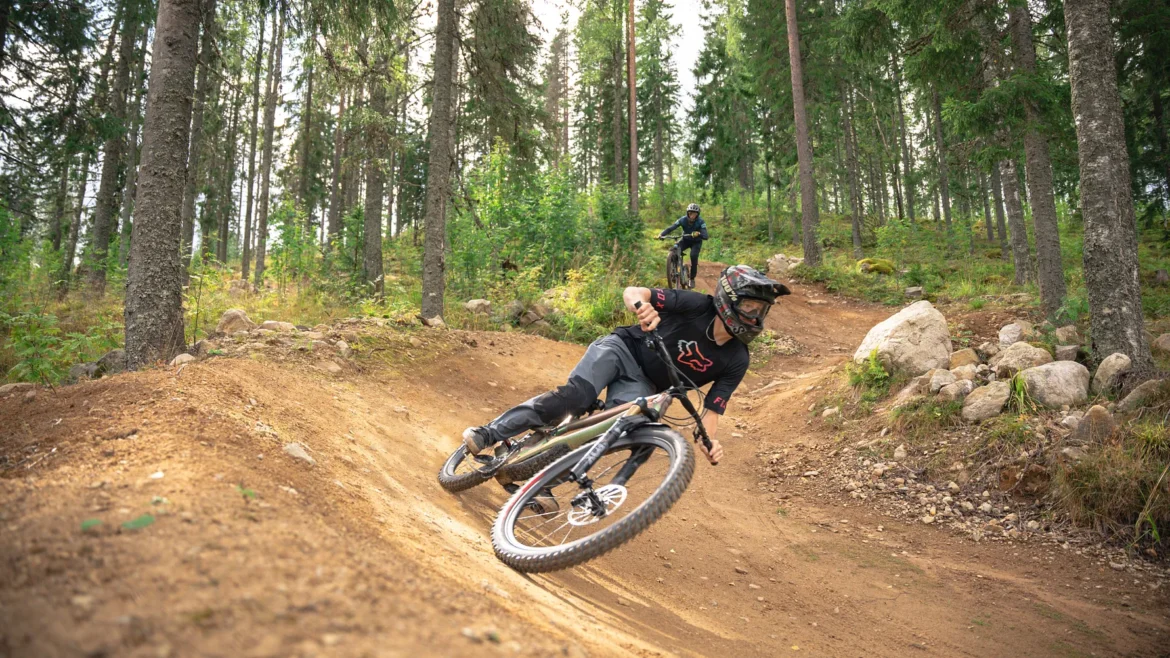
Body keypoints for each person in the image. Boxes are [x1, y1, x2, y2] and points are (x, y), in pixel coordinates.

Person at [462, 265, 790, 467]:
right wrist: (641, 307)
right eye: (750, 306)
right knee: (575, 398)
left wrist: (709, 441)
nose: (755, 316)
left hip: (644, 387)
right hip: (622, 349)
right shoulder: (697, 305)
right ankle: (488, 433)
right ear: (729, 300)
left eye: (761, 310)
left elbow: (714, 410)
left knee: (618, 432)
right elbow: (634, 291)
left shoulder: (737, 359)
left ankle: (541, 482)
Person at [658, 203, 708, 288]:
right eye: (690, 213)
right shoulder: (682, 220)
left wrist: (699, 233)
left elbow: (705, 235)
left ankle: (692, 278)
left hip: (696, 242)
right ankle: (674, 270)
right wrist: (662, 234)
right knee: (673, 249)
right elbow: (672, 227)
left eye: (694, 214)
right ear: (688, 213)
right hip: (685, 240)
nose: (692, 215)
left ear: (697, 214)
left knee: (693, 255)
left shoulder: (701, 221)